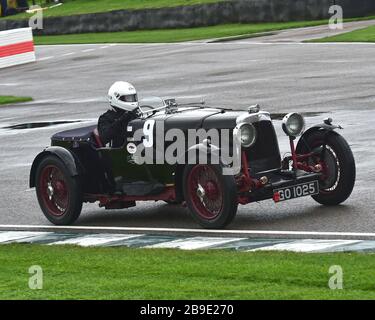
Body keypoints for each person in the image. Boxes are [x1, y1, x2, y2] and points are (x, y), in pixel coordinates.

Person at [98, 81, 139, 147]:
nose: (132, 101)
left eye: (133, 98)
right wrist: (124, 119)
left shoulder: (136, 115)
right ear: (116, 98)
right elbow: (104, 138)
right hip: (120, 153)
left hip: (139, 150)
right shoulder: (106, 118)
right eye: (128, 98)